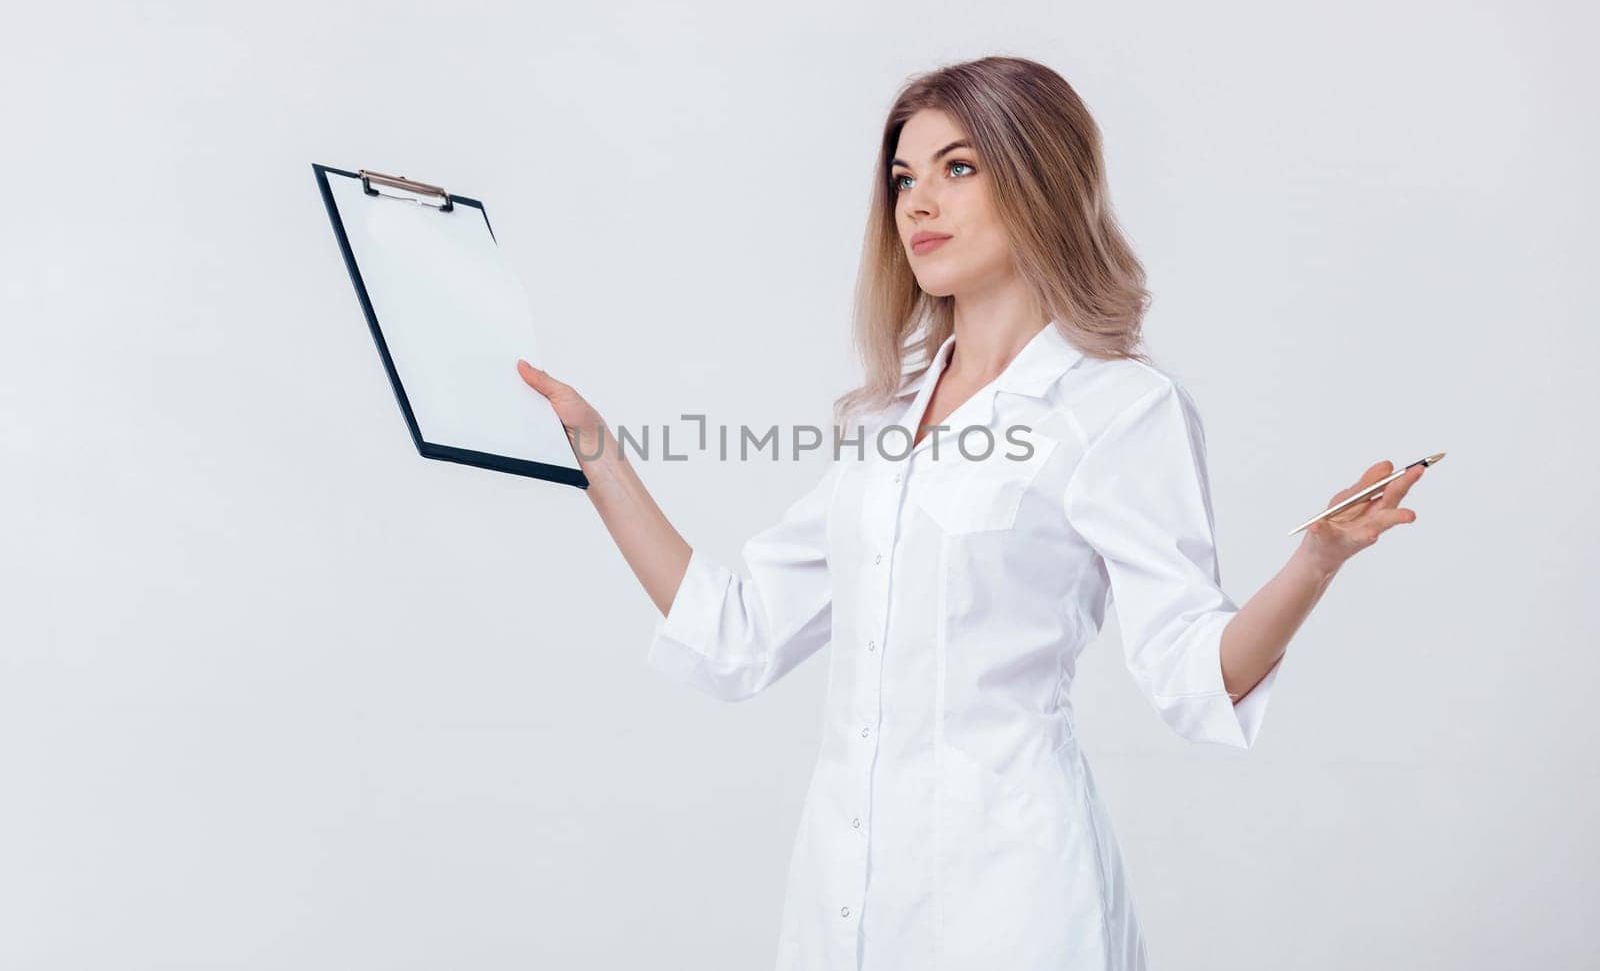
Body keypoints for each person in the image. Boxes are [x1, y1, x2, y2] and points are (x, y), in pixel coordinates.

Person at [515, 55, 1424, 971]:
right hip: (843, 898)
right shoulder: (882, 425)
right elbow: (736, 633)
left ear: (1039, 181)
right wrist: (594, 449)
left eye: (958, 168)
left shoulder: (1116, 408)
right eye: (904, 178)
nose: (916, 203)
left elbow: (1195, 673)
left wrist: (1315, 563)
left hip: (1014, 903)